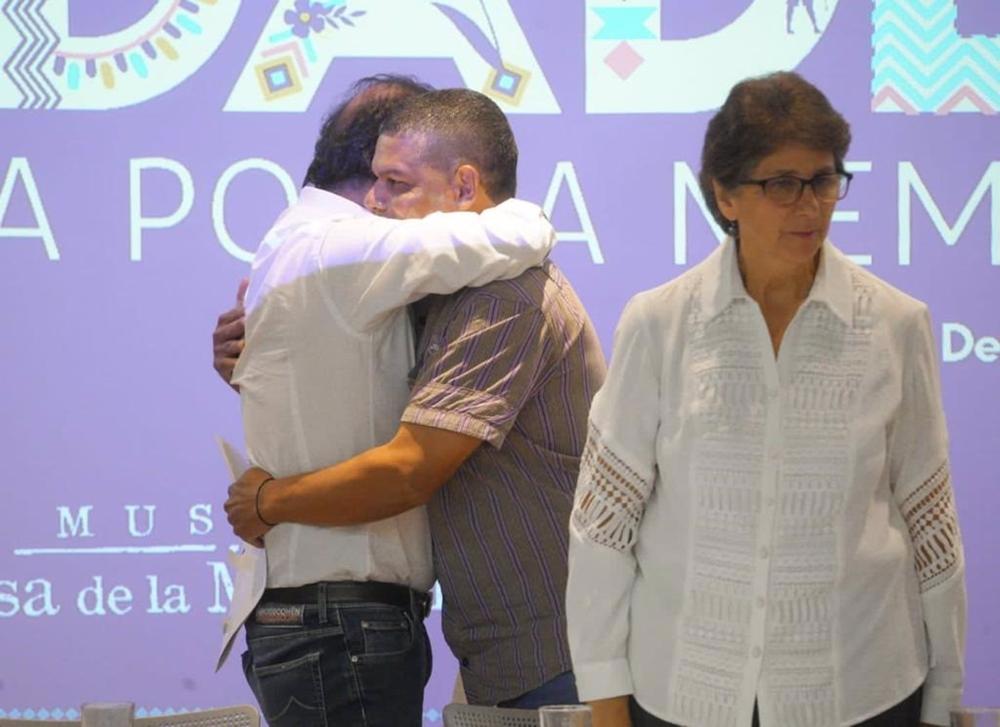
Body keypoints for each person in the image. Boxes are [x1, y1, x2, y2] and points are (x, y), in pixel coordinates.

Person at [566, 71, 965, 727]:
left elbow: (931, 524)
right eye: (781, 183)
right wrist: (606, 697)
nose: (809, 205)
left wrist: (944, 692)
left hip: (863, 689)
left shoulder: (897, 323)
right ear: (726, 194)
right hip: (686, 691)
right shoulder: (660, 322)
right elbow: (602, 526)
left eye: (824, 179)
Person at [222, 88, 607, 708]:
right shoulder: (437, 299)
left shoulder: (502, 297)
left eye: (395, 184)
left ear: (463, 188)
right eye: (374, 180)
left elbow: (409, 470)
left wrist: (268, 501)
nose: (373, 203)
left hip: (557, 654)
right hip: (514, 652)